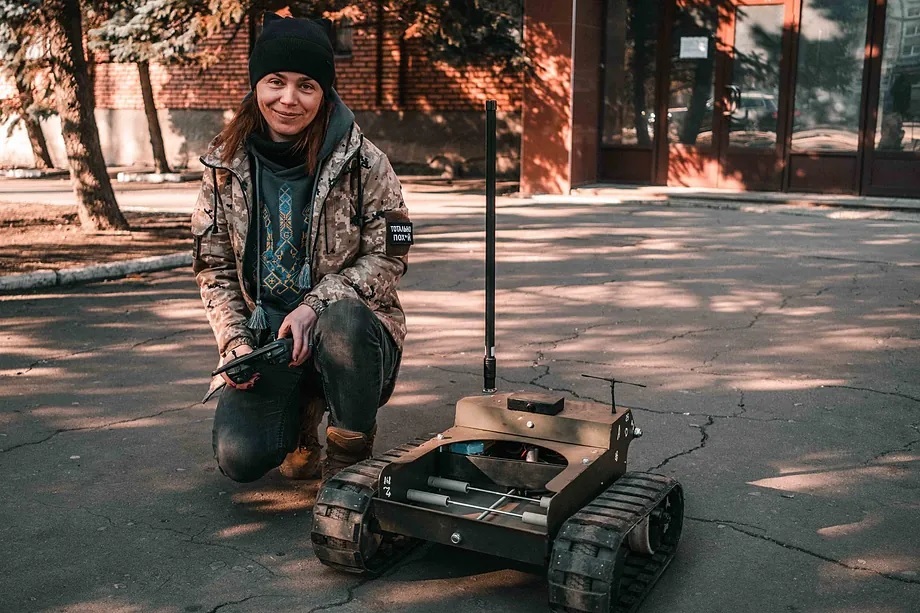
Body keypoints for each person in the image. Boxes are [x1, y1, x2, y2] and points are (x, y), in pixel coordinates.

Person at [191, 13, 412, 484]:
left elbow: (391, 253)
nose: (288, 99)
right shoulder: (223, 164)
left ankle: (350, 460)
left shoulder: (364, 163)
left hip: (351, 337)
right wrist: (235, 344)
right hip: (269, 339)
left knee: (345, 319)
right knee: (240, 459)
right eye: (275, 82)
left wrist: (315, 304)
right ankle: (299, 426)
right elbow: (214, 266)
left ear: (324, 92)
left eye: (305, 85)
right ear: (256, 86)